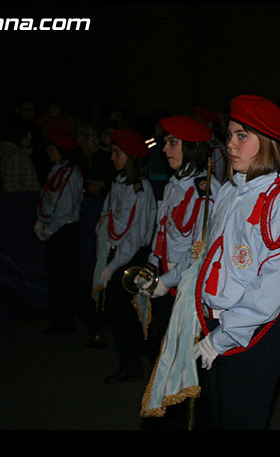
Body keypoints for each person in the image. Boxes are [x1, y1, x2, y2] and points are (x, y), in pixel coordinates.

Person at [192, 94, 280, 429]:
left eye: (242, 136)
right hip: (216, 325)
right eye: (229, 135)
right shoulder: (233, 190)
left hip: (250, 333)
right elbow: (212, 255)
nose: (230, 144)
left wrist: (219, 339)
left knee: (240, 419)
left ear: (267, 144)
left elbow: (270, 292)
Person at [136, 115, 221, 351]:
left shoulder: (204, 190)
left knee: (183, 354)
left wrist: (166, 281)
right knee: (158, 345)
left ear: (191, 148)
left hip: (185, 283)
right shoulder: (175, 182)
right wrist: (151, 267)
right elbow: (162, 230)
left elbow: (200, 249)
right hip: (166, 277)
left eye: (172, 142)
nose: (164, 148)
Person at [94, 129, 157, 384]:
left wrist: (112, 267)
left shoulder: (140, 189)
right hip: (118, 252)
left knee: (135, 315)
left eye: (117, 152)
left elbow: (135, 235)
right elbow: (111, 215)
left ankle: (152, 360)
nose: (112, 157)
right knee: (120, 315)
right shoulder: (119, 182)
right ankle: (130, 364)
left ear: (130, 156)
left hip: (132, 257)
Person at [34, 129, 88, 334]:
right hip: (55, 229)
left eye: (52, 148)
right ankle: (62, 322)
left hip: (65, 230)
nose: (48, 152)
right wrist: (41, 222)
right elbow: (48, 199)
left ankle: (88, 317)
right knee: (57, 279)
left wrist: (51, 229)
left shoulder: (71, 173)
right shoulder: (57, 169)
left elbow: (66, 209)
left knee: (67, 279)